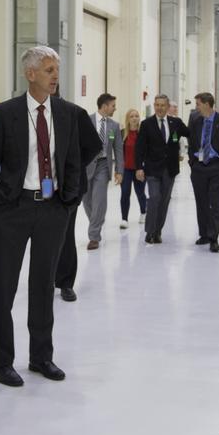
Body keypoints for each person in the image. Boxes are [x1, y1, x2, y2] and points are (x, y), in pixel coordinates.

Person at [0, 46, 82, 386]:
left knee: (42, 286)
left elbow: (74, 158)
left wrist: (69, 201)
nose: (55, 76)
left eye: (57, 69)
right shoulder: (4, 113)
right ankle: (1, 361)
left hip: (52, 209)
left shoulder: (66, 113)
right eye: (49, 70)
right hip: (13, 210)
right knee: (3, 287)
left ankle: (41, 357)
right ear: (31, 73)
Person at [53, 100, 103, 302]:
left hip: (69, 187)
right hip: (39, 187)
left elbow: (94, 145)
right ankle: (44, 280)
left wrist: (74, 165)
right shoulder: (25, 113)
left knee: (65, 235)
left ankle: (65, 283)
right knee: (42, 237)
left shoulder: (74, 113)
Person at [186, 92, 219, 253]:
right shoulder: (195, 121)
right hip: (199, 166)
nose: (196, 108)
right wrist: (192, 162)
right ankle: (204, 234)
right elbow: (191, 141)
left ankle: (214, 237)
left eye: (198, 104)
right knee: (201, 202)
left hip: (217, 166)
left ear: (207, 104)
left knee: (216, 203)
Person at [134, 94, 189, 245]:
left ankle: (158, 231)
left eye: (162, 105)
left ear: (167, 107)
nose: (159, 108)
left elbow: (190, 133)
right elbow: (139, 148)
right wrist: (139, 167)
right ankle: (149, 231)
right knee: (154, 198)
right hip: (152, 169)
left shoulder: (176, 122)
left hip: (169, 169)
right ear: (154, 106)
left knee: (164, 201)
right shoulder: (146, 124)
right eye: (157, 105)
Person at [81, 93, 122, 250]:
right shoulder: (86, 121)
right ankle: (96, 220)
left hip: (104, 165)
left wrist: (119, 170)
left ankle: (94, 236)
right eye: (113, 105)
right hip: (87, 165)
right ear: (104, 106)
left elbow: (118, 149)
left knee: (99, 200)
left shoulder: (114, 126)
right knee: (86, 200)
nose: (114, 108)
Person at [118, 108, 147, 229]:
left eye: (136, 116)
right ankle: (124, 219)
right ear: (128, 119)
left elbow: (147, 152)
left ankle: (143, 212)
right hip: (126, 169)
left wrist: (144, 168)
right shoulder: (122, 133)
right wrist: (117, 171)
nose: (134, 118)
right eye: (132, 116)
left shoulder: (143, 133)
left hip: (139, 169)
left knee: (140, 192)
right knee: (125, 193)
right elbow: (118, 152)